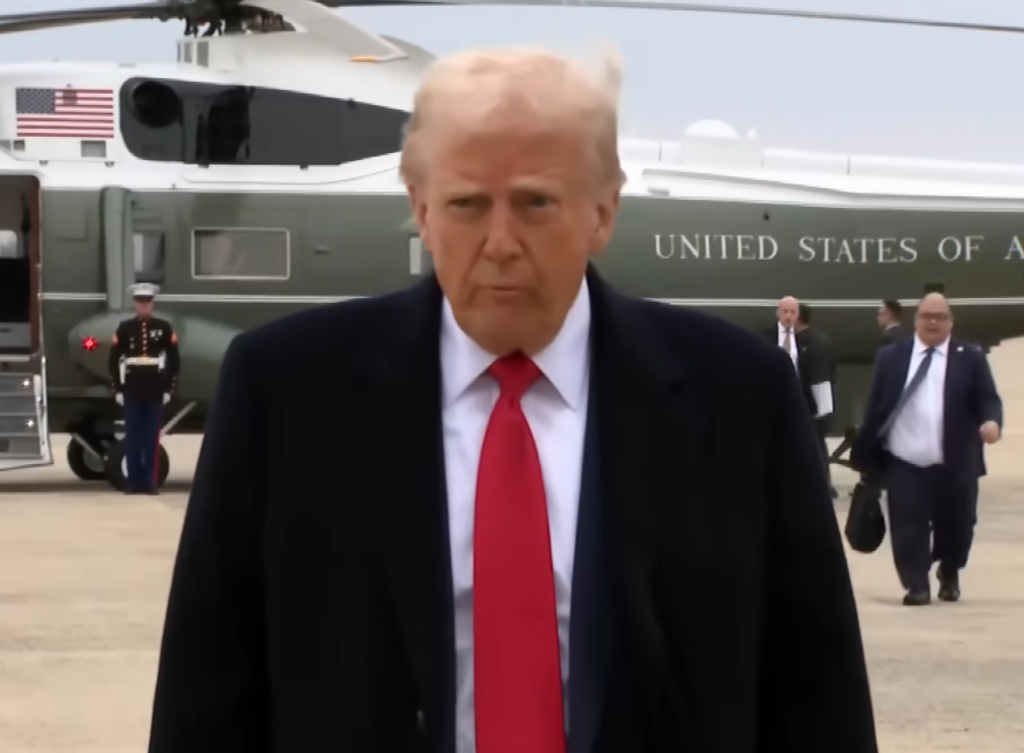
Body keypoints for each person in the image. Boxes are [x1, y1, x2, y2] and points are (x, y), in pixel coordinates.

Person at [149, 46, 877, 753]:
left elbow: (814, 696)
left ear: (602, 212)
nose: (499, 241)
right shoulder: (287, 394)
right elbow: (210, 695)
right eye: (467, 204)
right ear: (423, 211)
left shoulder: (738, 400)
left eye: (535, 203)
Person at [851, 292, 1003, 606]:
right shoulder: (892, 357)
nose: (933, 322)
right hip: (905, 460)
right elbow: (877, 407)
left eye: (940, 317)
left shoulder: (970, 357)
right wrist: (867, 452)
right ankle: (916, 585)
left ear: (950, 322)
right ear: (916, 319)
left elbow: (988, 398)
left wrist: (992, 422)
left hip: (956, 462)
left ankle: (949, 571)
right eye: (926, 316)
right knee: (908, 524)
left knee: (958, 527)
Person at [109, 283, 179, 495]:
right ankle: (133, 482)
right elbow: (114, 360)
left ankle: (150, 481)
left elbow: (174, 359)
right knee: (133, 438)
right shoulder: (124, 328)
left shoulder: (165, 327)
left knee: (151, 439)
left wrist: (169, 387)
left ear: (152, 304)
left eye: (147, 302)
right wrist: (118, 389)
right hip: (132, 390)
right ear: (135, 304)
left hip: (155, 390)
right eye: (140, 302)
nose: (144, 306)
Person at [794, 303, 838, 498]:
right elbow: (832, 370)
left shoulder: (796, 341)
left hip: (805, 397)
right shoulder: (824, 341)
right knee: (819, 442)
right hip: (825, 393)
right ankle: (825, 484)